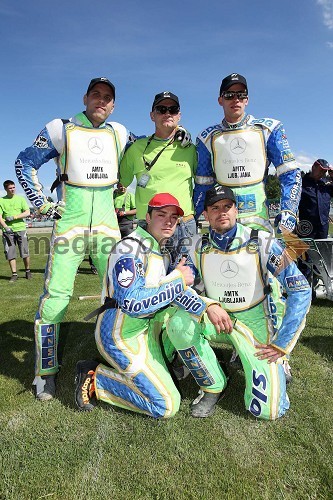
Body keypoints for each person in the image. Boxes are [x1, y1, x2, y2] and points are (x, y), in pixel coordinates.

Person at [15, 77, 131, 401]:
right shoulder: (61, 128)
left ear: (113, 104)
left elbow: (146, 162)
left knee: (123, 294)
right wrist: (41, 204)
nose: (101, 100)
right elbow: (24, 162)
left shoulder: (120, 134)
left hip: (108, 228)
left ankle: (121, 360)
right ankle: (45, 373)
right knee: (55, 299)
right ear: (85, 97)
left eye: (108, 97)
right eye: (96, 94)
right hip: (70, 226)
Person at [74, 193, 227, 417]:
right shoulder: (130, 248)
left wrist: (208, 307)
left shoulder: (158, 250)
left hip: (145, 329)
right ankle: (97, 377)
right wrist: (177, 280)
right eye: (161, 215)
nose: (168, 221)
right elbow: (133, 303)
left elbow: (170, 294)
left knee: (182, 314)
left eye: (173, 217)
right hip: (119, 336)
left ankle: (163, 365)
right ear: (147, 217)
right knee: (165, 406)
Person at [167, 185, 311, 420]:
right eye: (215, 208)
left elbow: (301, 290)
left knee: (267, 412)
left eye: (227, 206)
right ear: (205, 214)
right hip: (217, 318)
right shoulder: (196, 245)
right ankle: (212, 385)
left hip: (255, 322)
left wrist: (281, 343)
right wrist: (207, 305)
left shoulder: (263, 241)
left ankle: (276, 364)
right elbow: (178, 288)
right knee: (178, 324)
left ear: (237, 210)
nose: (222, 212)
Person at [194, 73, 302, 234]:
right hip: (223, 226)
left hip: (260, 223)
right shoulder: (206, 138)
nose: (235, 99)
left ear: (247, 99)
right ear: (220, 100)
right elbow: (203, 185)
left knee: (284, 259)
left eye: (241, 95)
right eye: (229, 95)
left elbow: (291, 173)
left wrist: (289, 209)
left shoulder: (268, 129)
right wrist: (194, 217)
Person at [119, 91, 197, 252]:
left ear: (179, 115)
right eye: (161, 109)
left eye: (173, 110)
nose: (167, 113)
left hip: (183, 225)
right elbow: (121, 182)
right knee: (148, 276)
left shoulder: (191, 149)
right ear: (152, 115)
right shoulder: (135, 148)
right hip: (148, 226)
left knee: (188, 275)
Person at [0, 180, 32, 282]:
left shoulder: (21, 199)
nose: (12, 189)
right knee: (10, 252)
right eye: (10, 188)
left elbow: (27, 212)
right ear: (5, 189)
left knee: (25, 252)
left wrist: (14, 217)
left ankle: (27, 271)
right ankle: (14, 274)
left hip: (21, 229)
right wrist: (6, 227)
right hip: (7, 231)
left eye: (13, 187)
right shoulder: (1, 201)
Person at [297, 159, 333, 239]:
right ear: (313, 167)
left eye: (324, 172)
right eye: (321, 170)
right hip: (306, 227)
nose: (322, 174)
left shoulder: (325, 185)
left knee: (323, 251)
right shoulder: (301, 184)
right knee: (306, 251)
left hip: (323, 228)